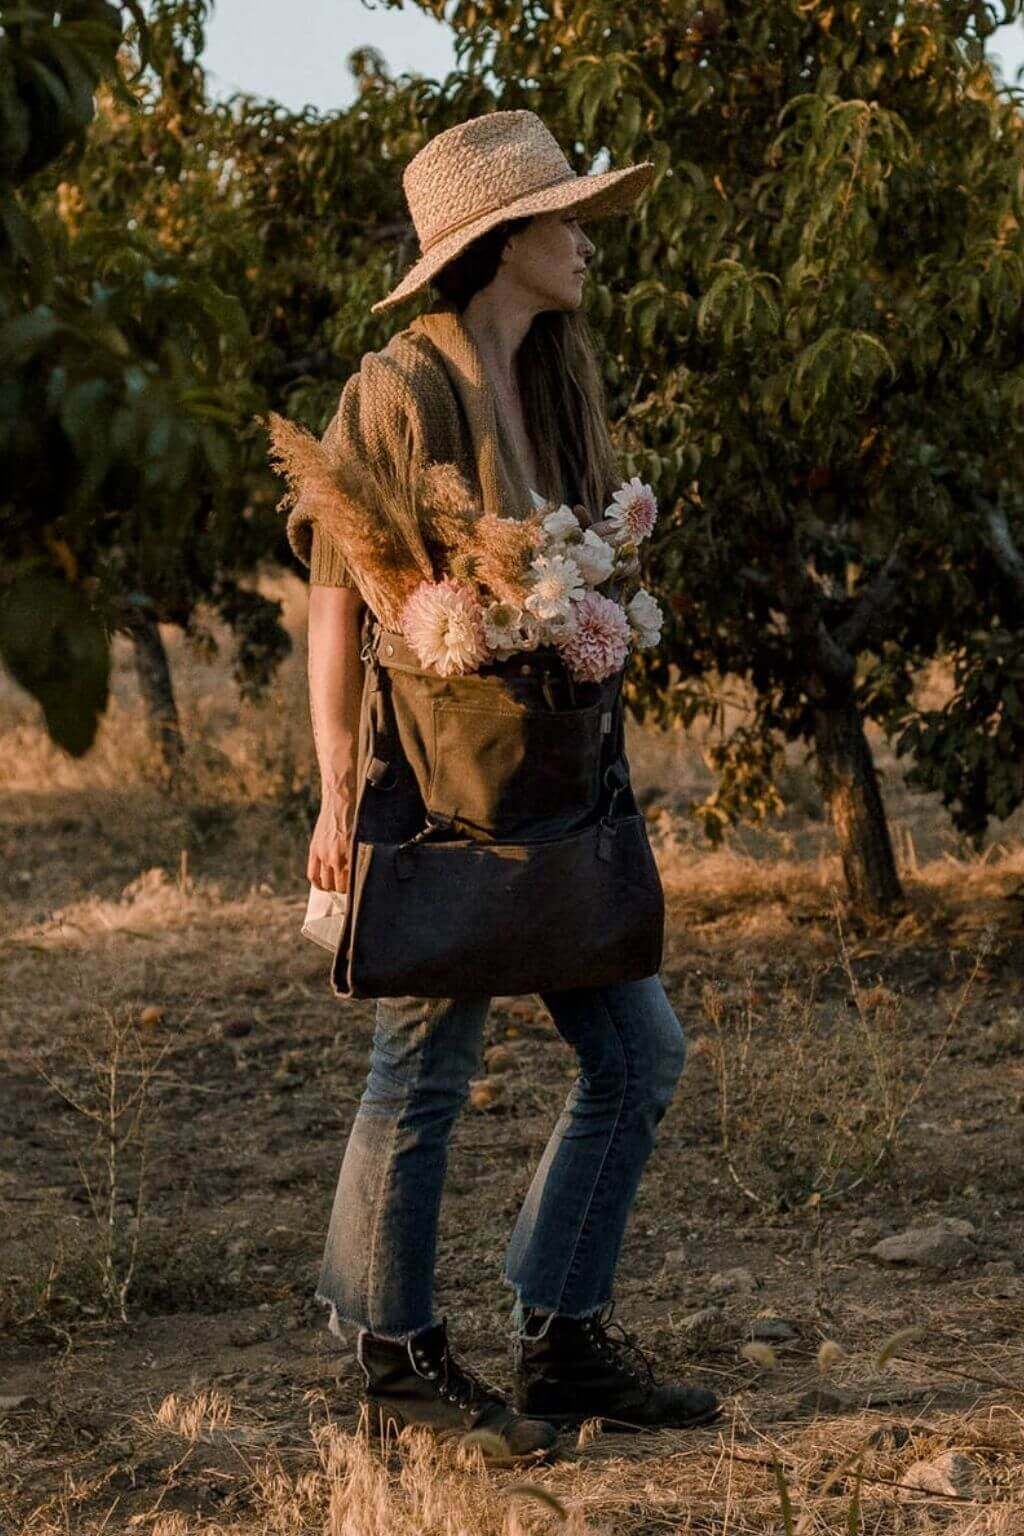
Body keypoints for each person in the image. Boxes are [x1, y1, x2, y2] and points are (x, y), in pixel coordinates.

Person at [293, 111, 720, 1459]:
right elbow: (334, 601)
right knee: (427, 1058)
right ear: (503, 242)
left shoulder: (551, 384)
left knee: (637, 1052)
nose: (586, 243)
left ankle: (560, 1334)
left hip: (553, 784)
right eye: (567, 221)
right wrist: (328, 798)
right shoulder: (399, 388)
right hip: (435, 786)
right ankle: (389, 1352)